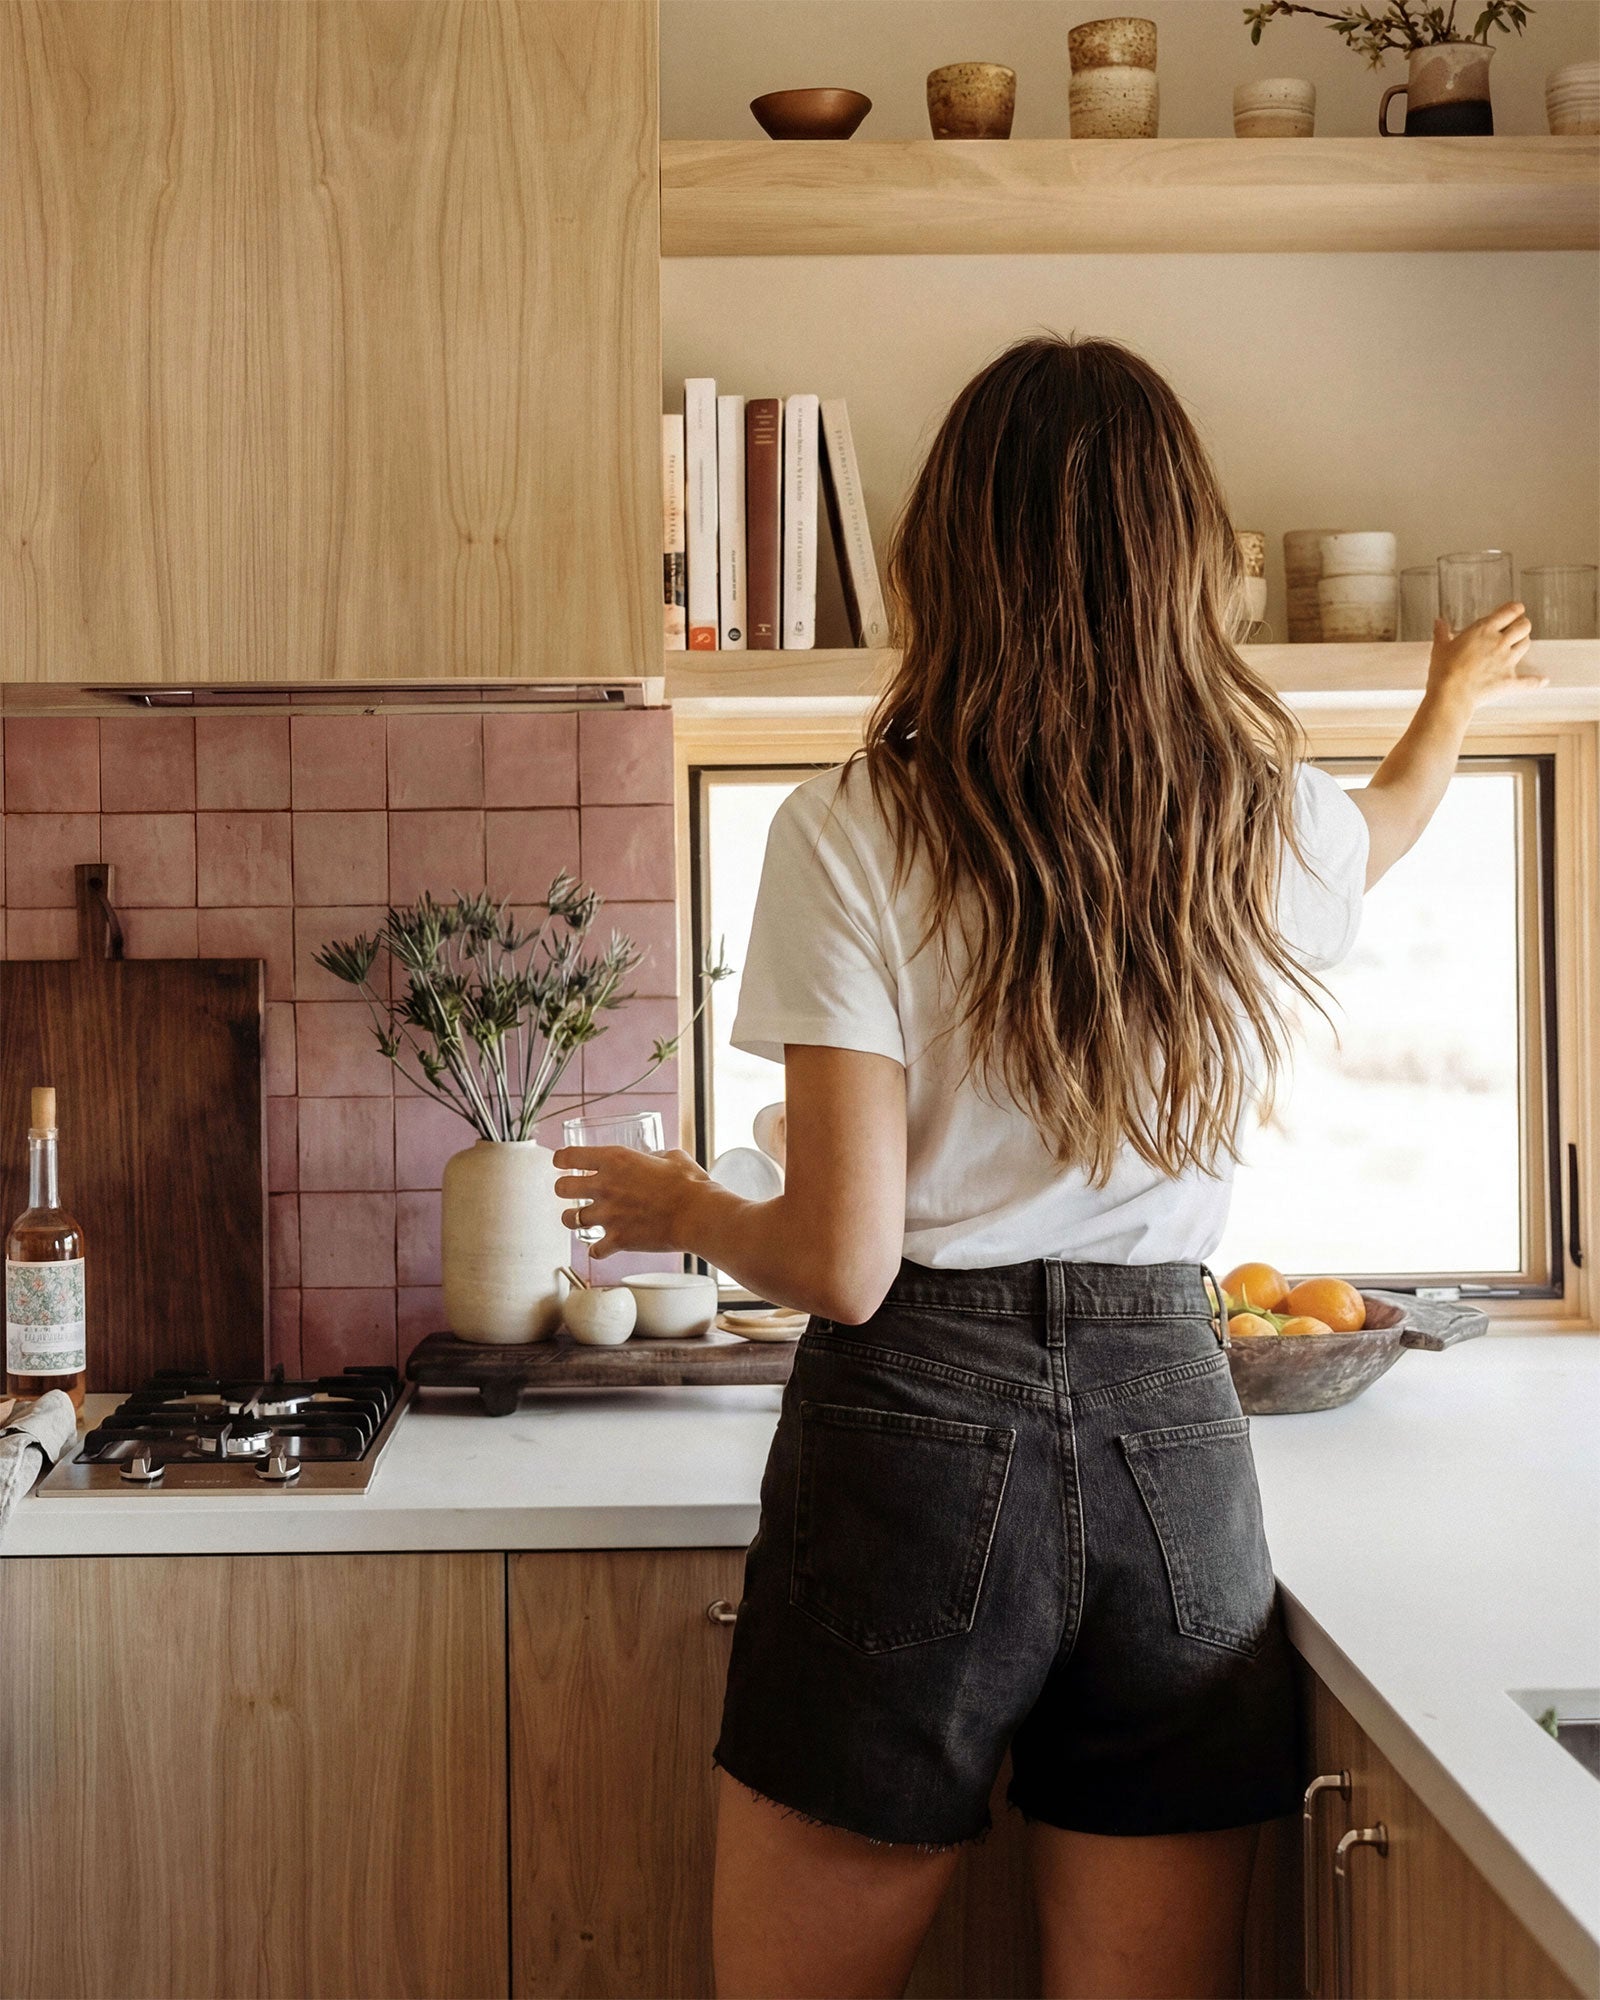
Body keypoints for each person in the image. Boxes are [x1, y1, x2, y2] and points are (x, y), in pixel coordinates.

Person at [554, 336, 1535, 2000]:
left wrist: (684, 1211)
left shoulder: (854, 828)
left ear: (945, 562)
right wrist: (1447, 705)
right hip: (1176, 1432)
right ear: (1188, 568)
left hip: (912, 1436)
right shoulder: (1264, 826)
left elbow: (844, 1264)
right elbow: (1390, 818)